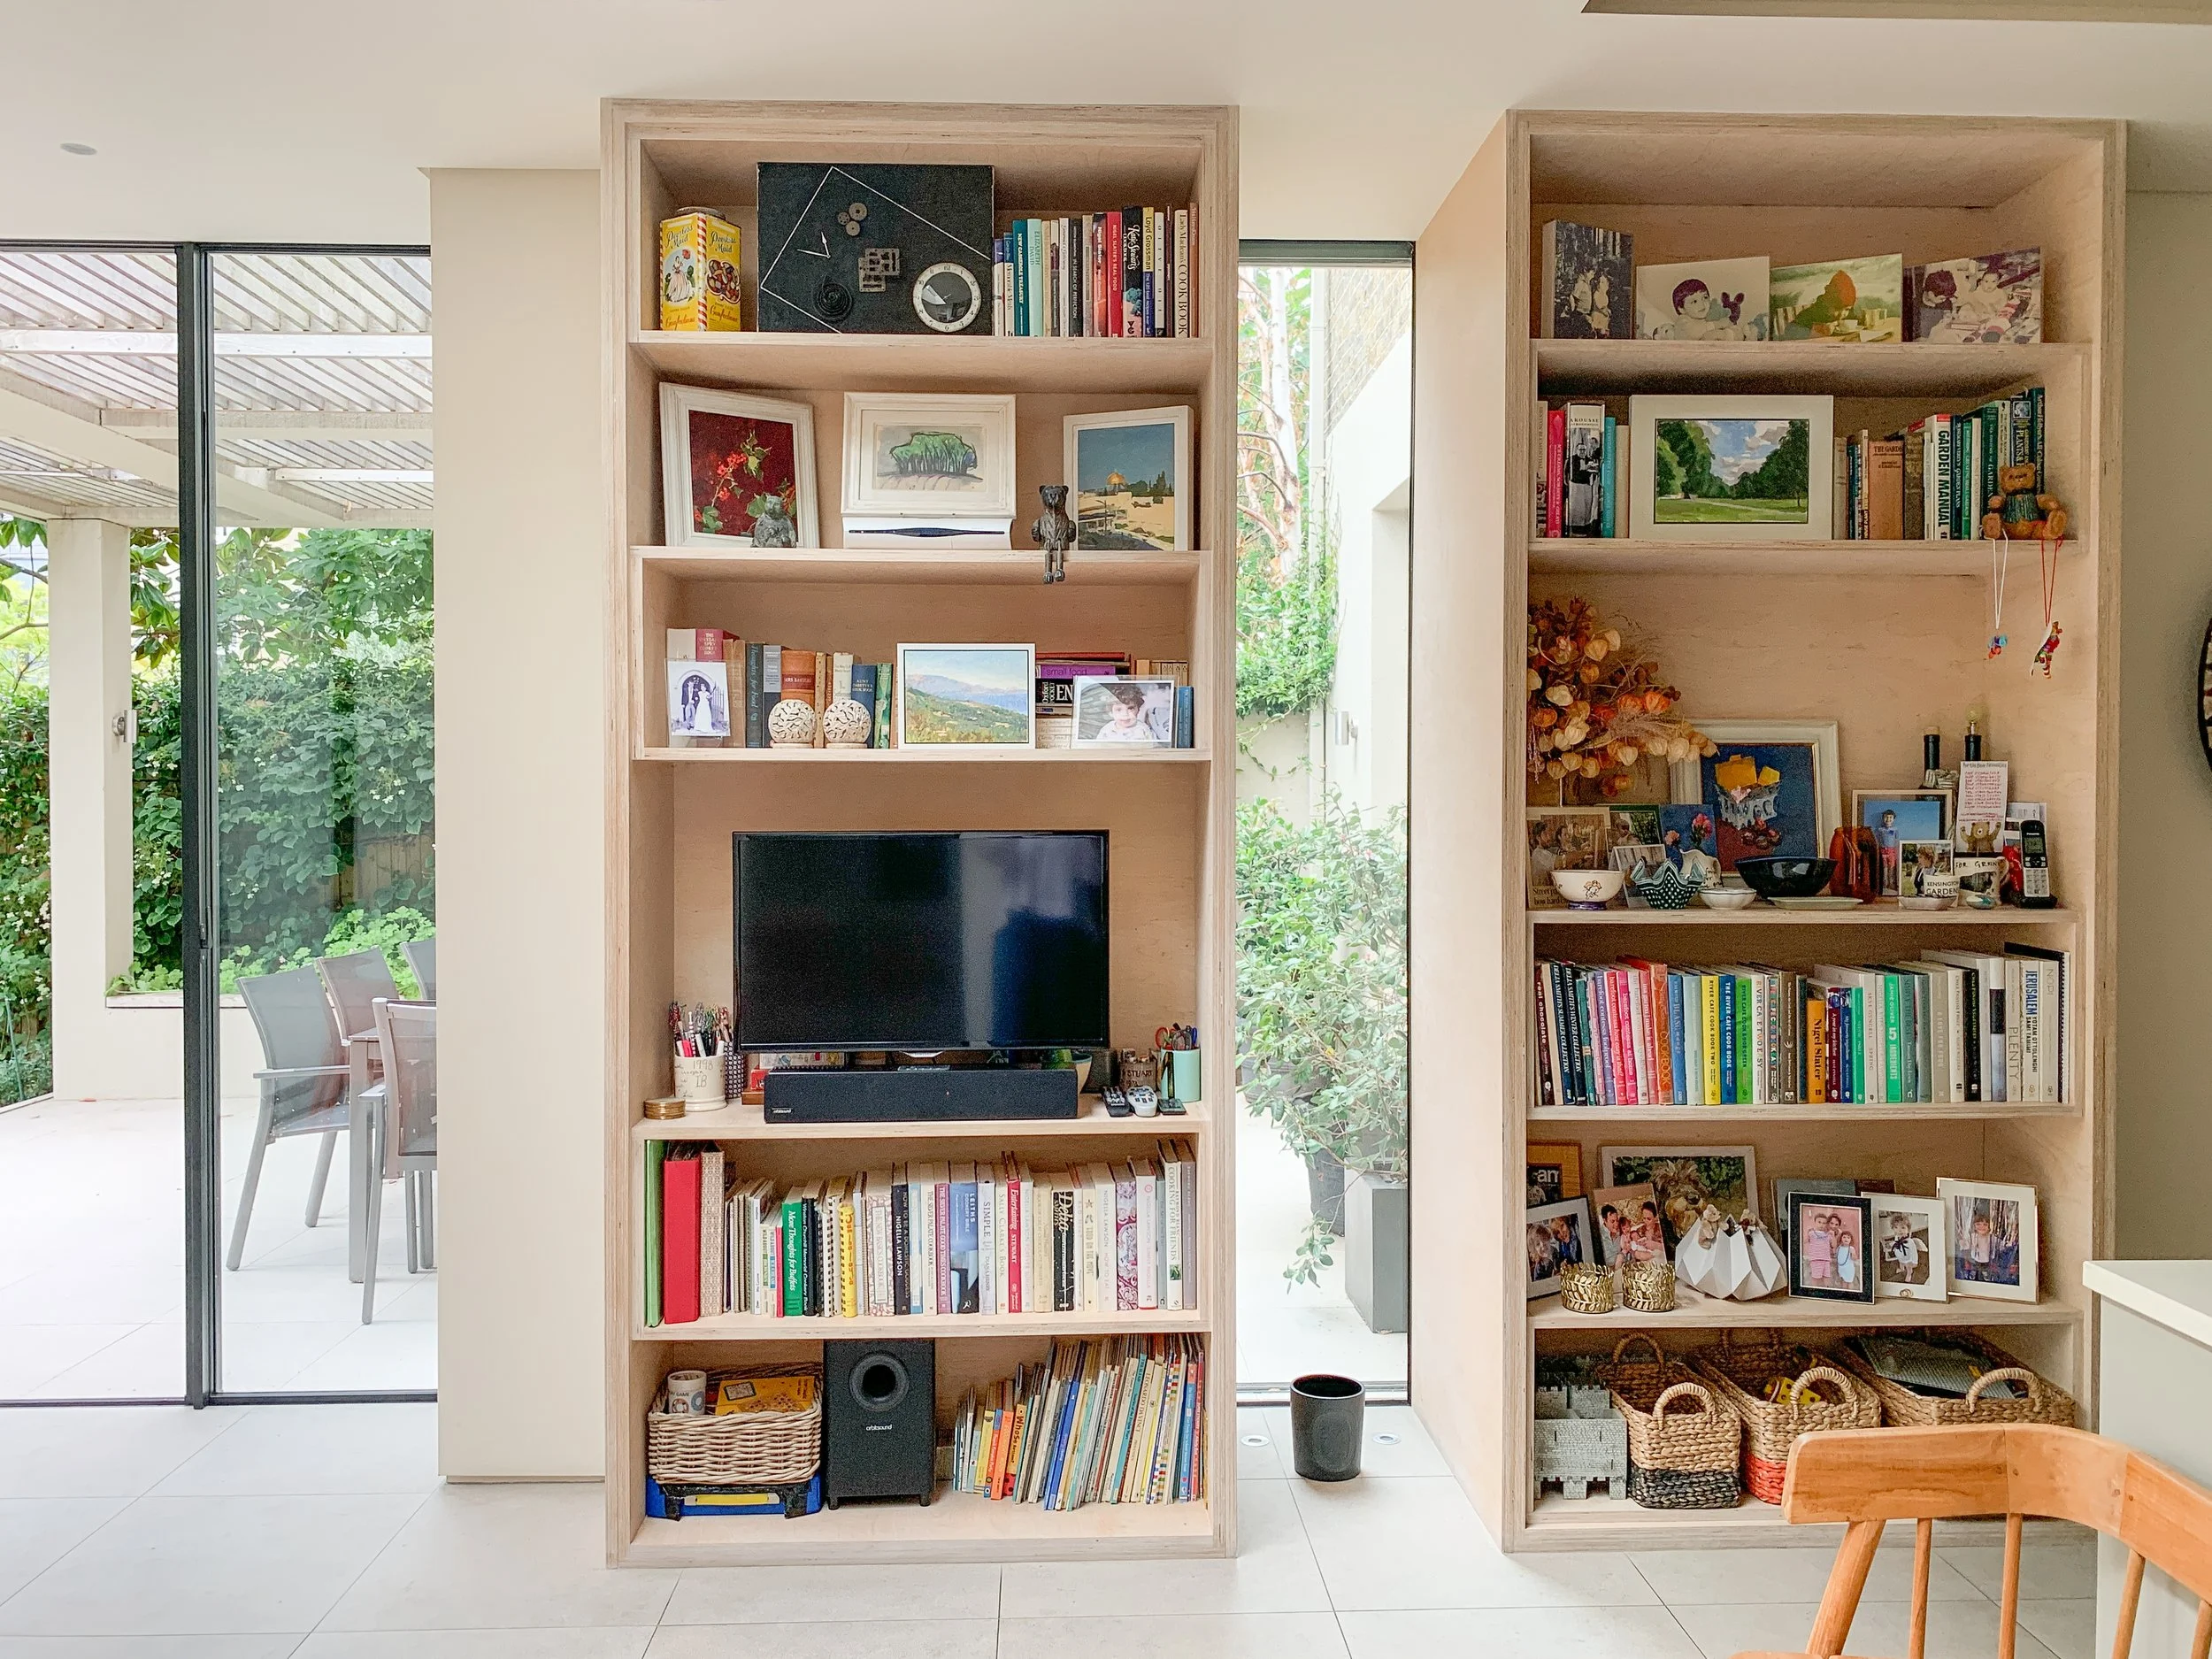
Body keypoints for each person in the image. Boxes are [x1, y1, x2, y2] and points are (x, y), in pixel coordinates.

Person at [1091, 681, 1156, 743]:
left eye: (1130, 708)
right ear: (1111, 712)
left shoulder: (1143, 729)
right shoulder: (1107, 730)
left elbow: (1152, 748)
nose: (1125, 714)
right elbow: (1098, 748)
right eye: (1119, 710)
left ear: (1138, 710)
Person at [1803, 1208, 1835, 1288]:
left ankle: (1827, 1290)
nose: (1822, 1225)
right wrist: (1806, 1232)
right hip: (1816, 1258)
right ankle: (1814, 1290)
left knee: (1827, 1277)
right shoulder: (1812, 1233)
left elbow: (1834, 1245)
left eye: (1824, 1223)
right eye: (1819, 1222)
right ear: (1815, 1222)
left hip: (1826, 1259)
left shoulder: (1828, 1234)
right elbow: (1805, 1241)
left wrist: (1833, 1236)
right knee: (1816, 1277)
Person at [1833, 1223, 1860, 1291]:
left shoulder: (1851, 1248)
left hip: (1849, 1269)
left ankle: (1851, 1293)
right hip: (1841, 1268)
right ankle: (1844, 1293)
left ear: (1851, 1240)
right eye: (1844, 1237)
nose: (1846, 1239)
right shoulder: (1839, 1248)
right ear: (1841, 1238)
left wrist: (1853, 1254)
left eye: (1848, 1237)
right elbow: (1837, 1256)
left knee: (1850, 1282)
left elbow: (1855, 1258)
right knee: (1844, 1282)